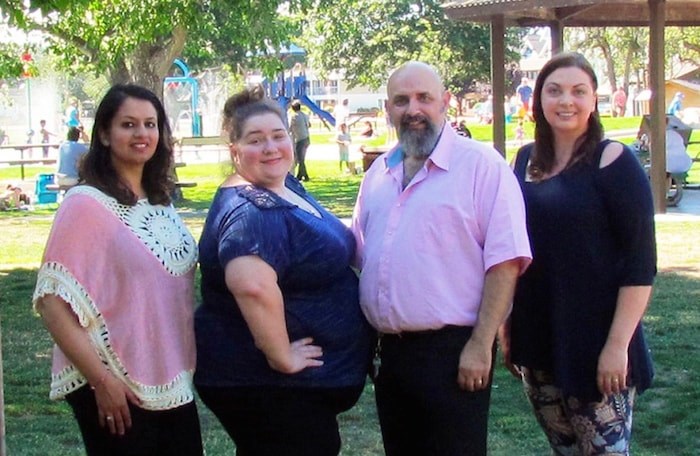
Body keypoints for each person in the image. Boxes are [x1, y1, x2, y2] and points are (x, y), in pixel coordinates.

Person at [351, 61, 532, 456]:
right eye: (401, 100)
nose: (412, 109)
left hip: (453, 354)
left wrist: (481, 344)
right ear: (388, 110)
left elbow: (505, 262)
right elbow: (362, 256)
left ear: (445, 103)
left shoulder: (482, 167)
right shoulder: (378, 174)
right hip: (391, 358)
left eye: (424, 98)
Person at [194, 86, 375, 456]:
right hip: (268, 384)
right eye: (255, 140)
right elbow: (252, 285)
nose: (271, 147)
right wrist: (281, 355)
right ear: (235, 151)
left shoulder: (281, 186)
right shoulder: (252, 211)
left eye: (278, 136)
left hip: (290, 392)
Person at [32, 84, 203, 455]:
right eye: (128, 124)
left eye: (150, 124)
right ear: (105, 135)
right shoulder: (85, 205)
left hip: (170, 380)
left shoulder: (160, 202)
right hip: (114, 383)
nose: (142, 134)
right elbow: (51, 302)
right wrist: (101, 381)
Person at [502, 52, 656, 455]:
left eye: (578, 91)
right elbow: (510, 248)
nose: (565, 101)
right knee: (565, 450)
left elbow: (641, 265)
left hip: (597, 339)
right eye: (553, 91)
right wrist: (505, 325)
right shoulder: (522, 161)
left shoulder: (615, 162)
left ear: (594, 100)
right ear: (539, 100)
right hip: (538, 335)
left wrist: (616, 346)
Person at [289, 100, 311, 181]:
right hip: (307, 138)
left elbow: (290, 128)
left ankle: (306, 176)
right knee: (302, 158)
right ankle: (299, 175)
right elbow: (309, 125)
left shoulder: (294, 117)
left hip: (300, 139)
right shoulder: (305, 115)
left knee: (300, 159)